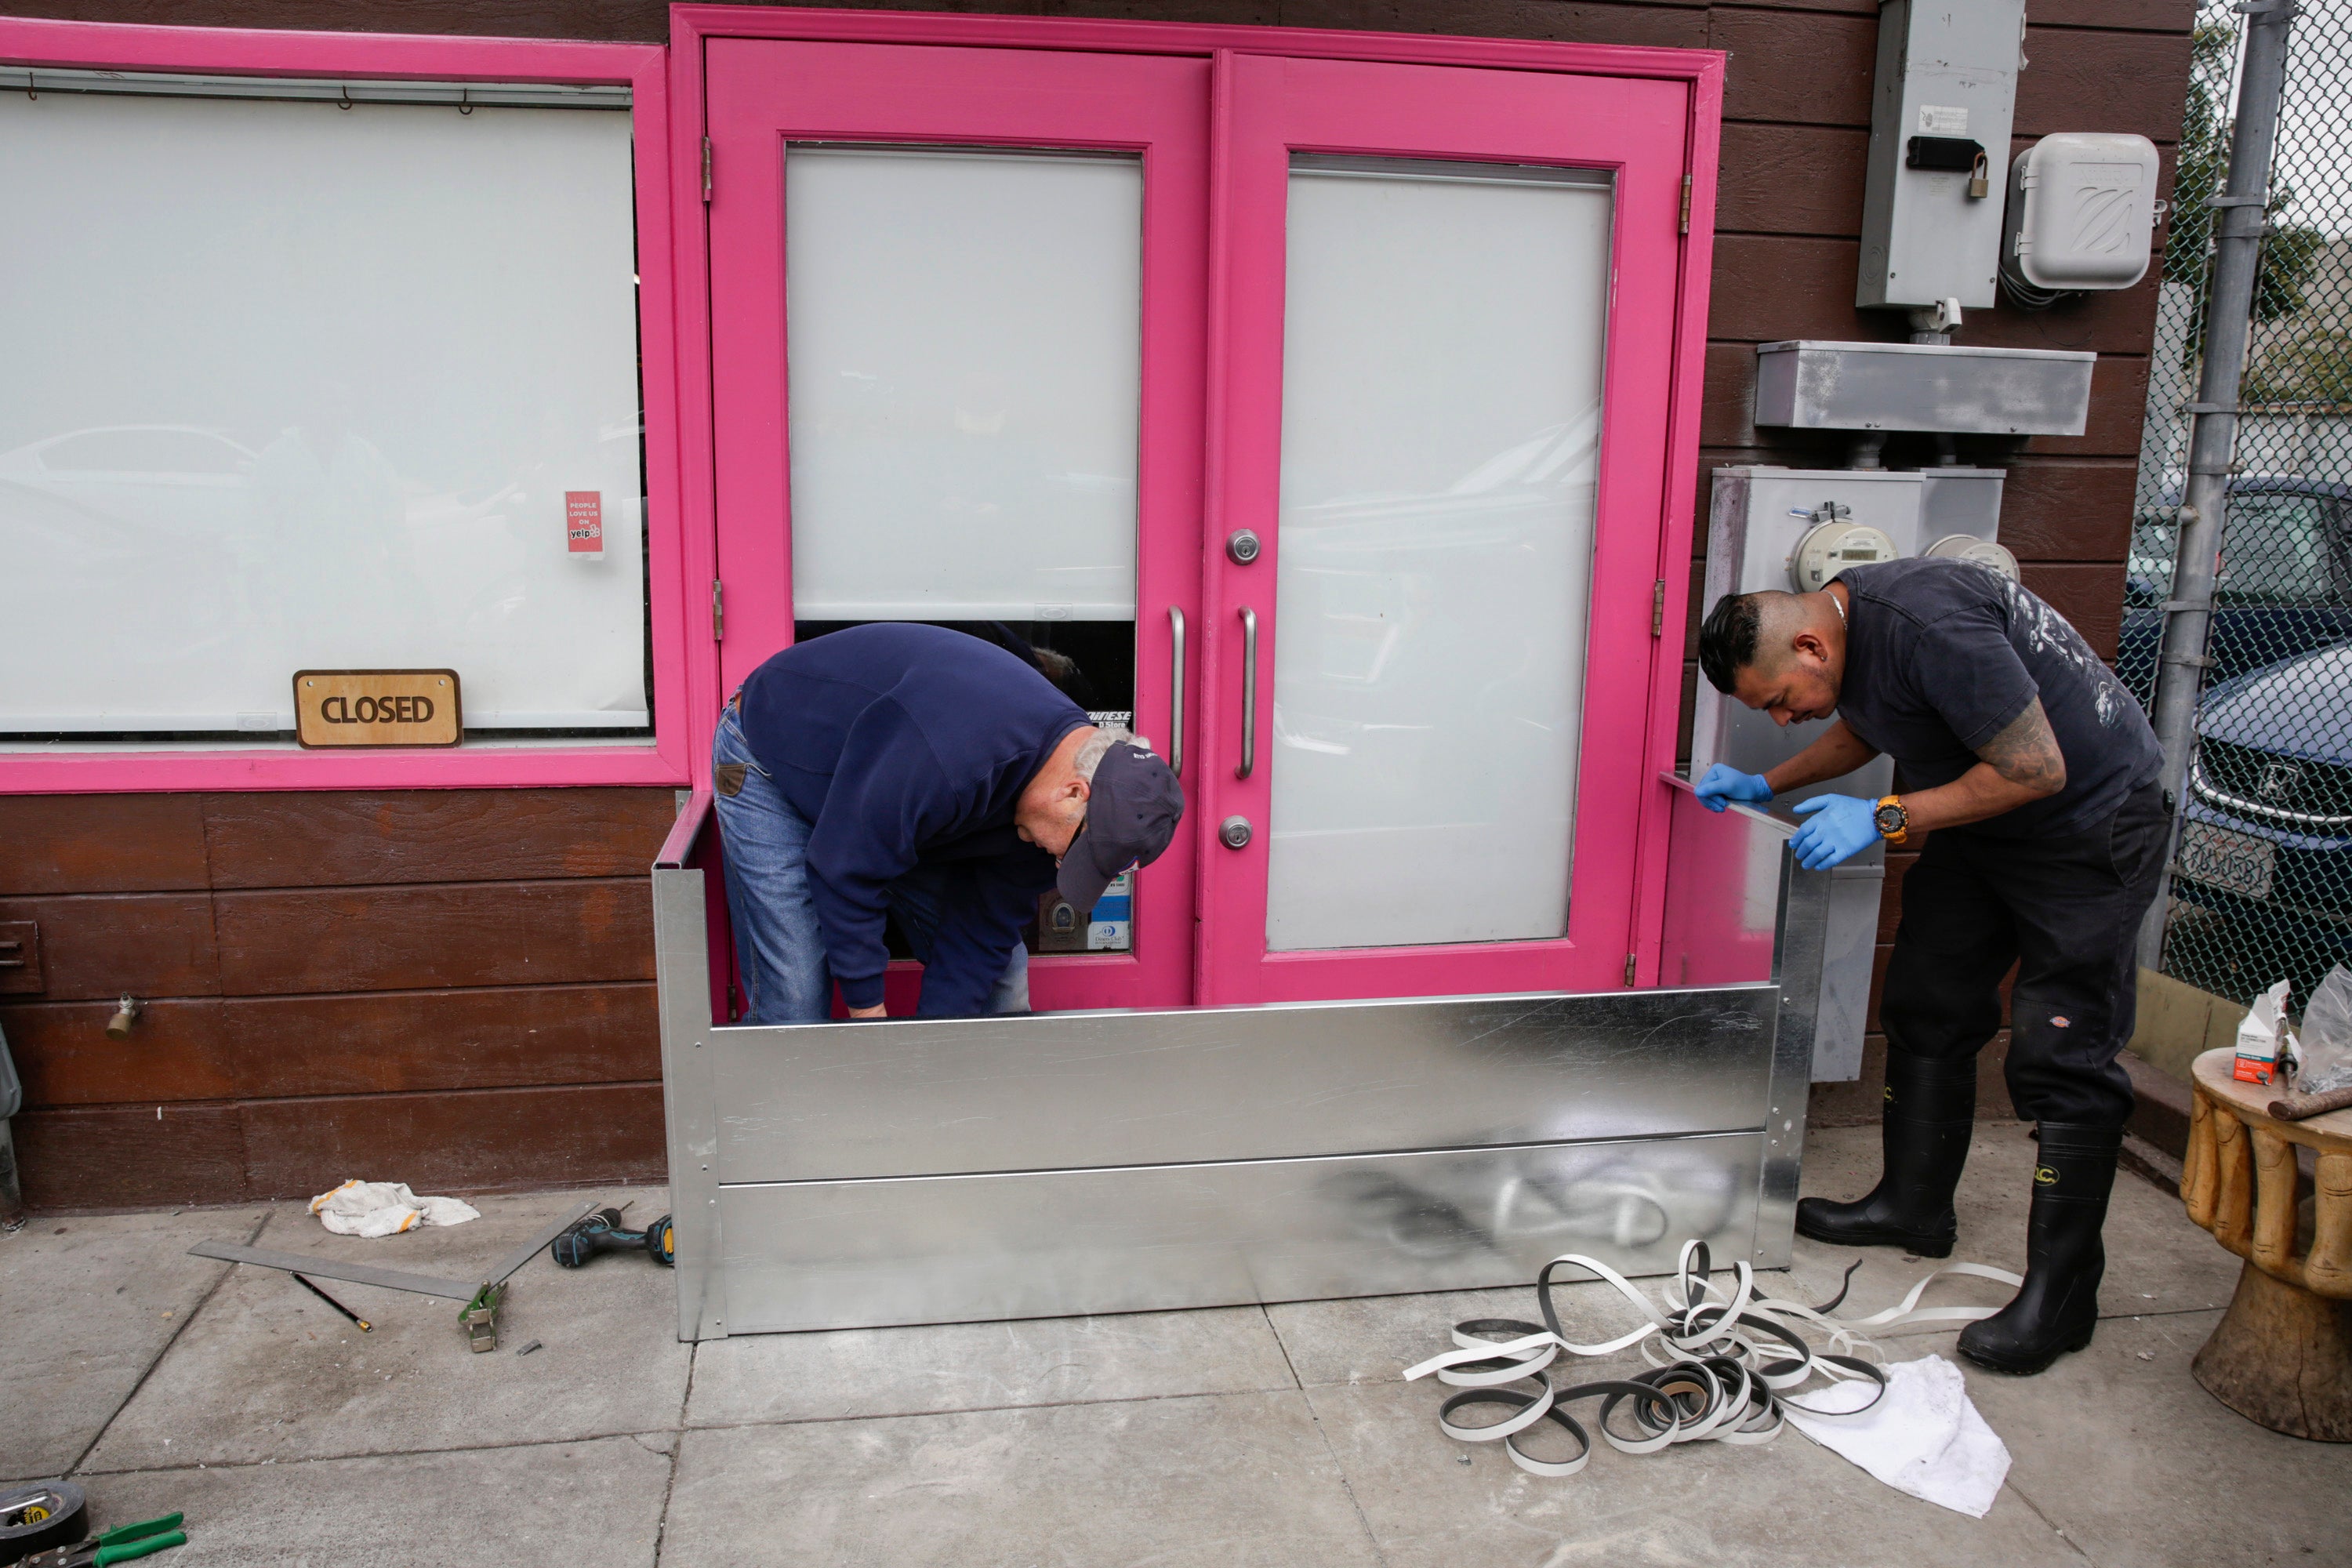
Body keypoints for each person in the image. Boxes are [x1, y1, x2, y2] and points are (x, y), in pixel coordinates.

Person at [1693, 557, 2165, 1376]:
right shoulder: (1848, 631)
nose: (1779, 718)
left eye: (1776, 700)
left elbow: (2037, 767)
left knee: (2063, 1051)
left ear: (1810, 644)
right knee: (1927, 1000)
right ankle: (1913, 1207)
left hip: (2090, 824)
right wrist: (1764, 781)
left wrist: (1885, 813)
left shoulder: (1931, 625)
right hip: (1988, 819)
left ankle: (2064, 1293)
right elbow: (1871, 725)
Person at [711, 622, 1182, 1022]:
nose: (1063, 864)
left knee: (1000, 976)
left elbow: (979, 935)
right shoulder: (955, 755)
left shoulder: (1051, 814)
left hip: (885, 797)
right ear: (1074, 792)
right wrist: (872, 1023)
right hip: (773, 757)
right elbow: (846, 868)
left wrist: (931, 1053)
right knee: (796, 994)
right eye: (1075, 852)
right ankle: (792, 1127)